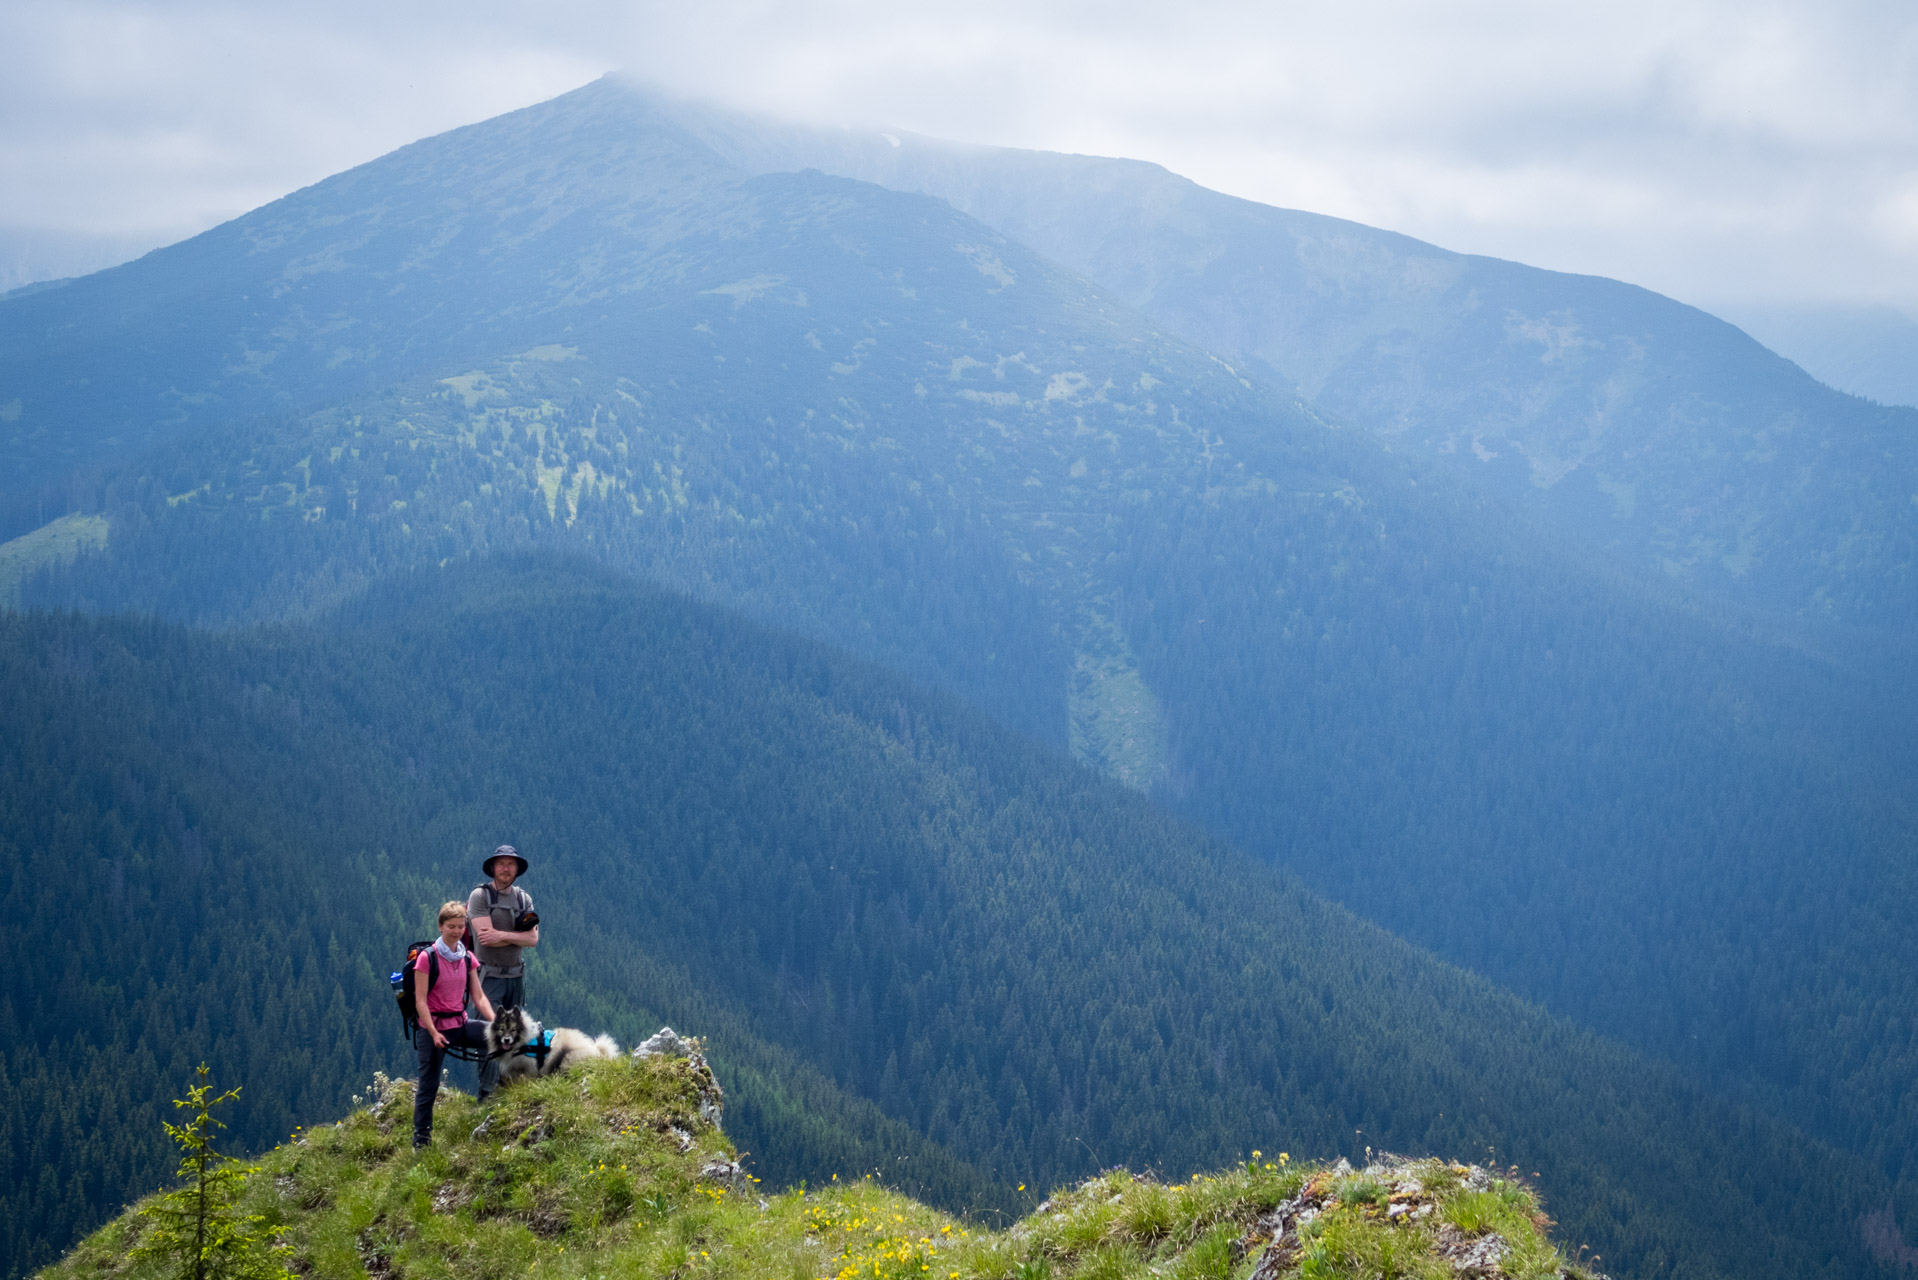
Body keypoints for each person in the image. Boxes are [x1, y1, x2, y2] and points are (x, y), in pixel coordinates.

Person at [412, 900, 496, 1150]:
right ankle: (421, 1141)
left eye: (461, 926)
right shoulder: (427, 959)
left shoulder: (467, 957)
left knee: (500, 1043)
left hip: (459, 1024)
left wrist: (497, 1024)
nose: (457, 931)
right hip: (432, 1029)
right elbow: (420, 1001)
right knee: (429, 1085)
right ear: (440, 926)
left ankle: (503, 1097)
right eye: (451, 926)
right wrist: (434, 1032)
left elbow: (479, 997)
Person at [468, 844, 539, 1102]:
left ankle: (511, 1089)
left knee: (517, 1035)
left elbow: (533, 940)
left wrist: (502, 935)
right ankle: (486, 1095)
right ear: (492, 868)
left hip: (516, 978)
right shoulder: (480, 896)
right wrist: (515, 937)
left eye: (511, 864)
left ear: (517, 869)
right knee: (490, 1034)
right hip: (489, 978)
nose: (506, 868)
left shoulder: (523, 899)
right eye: (501, 864)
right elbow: (485, 939)